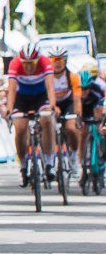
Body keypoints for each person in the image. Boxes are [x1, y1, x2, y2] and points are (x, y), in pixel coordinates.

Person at [5, 42, 58, 186]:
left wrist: (52, 105)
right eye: (25, 63)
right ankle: (23, 166)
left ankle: (48, 162)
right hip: (22, 97)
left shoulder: (45, 61)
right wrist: (9, 110)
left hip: (41, 95)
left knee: (47, 120)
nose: (28, 67)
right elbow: (11, 89)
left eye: (32, 63)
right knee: (20, 128)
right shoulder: (15, 63)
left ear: (38, 59)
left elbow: (50, 86)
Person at [46, 47, 82, 180]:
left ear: (65, 61)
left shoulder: (72, 76)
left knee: (71, 129)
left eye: (60, 59)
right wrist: (52, 107)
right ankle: (49, 161)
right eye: (54, 59)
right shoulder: (46, 77)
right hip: (51, 103)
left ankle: (73, 158)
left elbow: (77, 99)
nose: (57, 62)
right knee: (47, 128)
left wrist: (78, 116)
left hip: (68, 103)